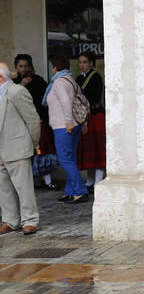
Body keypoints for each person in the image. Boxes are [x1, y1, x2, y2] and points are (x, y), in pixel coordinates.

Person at [0, 63, 41, 235]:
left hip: (17, 146)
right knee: (3, 188)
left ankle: (30, 220)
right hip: (1, 149)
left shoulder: (17, 91)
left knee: (23, 187)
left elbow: (32, 120)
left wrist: (31, 143)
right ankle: (10, 220)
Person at [45, 55, 89, 204]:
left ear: (56, 67)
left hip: (64, 126)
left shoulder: (58, 82)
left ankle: (80, 191)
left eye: (52, 66)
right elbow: (80, 103)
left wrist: (68, 122)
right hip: (74, 125)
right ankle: (70, 191)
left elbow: (66, 101)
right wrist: (82, 123)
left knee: (65, 160)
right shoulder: (71, 81)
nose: (51, 69)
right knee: (71, 159)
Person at [11, 54, 56, 190]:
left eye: (26, 66)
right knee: (24, 155)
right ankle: (30, 182)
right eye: (21, 66)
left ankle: (47, 181)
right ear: (16, 68)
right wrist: (21, 85)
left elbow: (46, 102)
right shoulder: (12, 83)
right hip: (18, 124)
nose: (24, 69)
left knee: (42, 151)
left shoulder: (39, 81)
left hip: (38, 122)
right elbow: (8, 100)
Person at [75, 51, 106, 190]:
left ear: (91, 63)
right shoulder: (77, 78)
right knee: (88, 147)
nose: (82, 65)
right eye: (80, 62)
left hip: (94, 116)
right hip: (84, 117)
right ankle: (90, 180)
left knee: (96, 148)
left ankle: (99, 179)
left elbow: (94, 97)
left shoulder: (96, 77)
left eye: (85, 62)